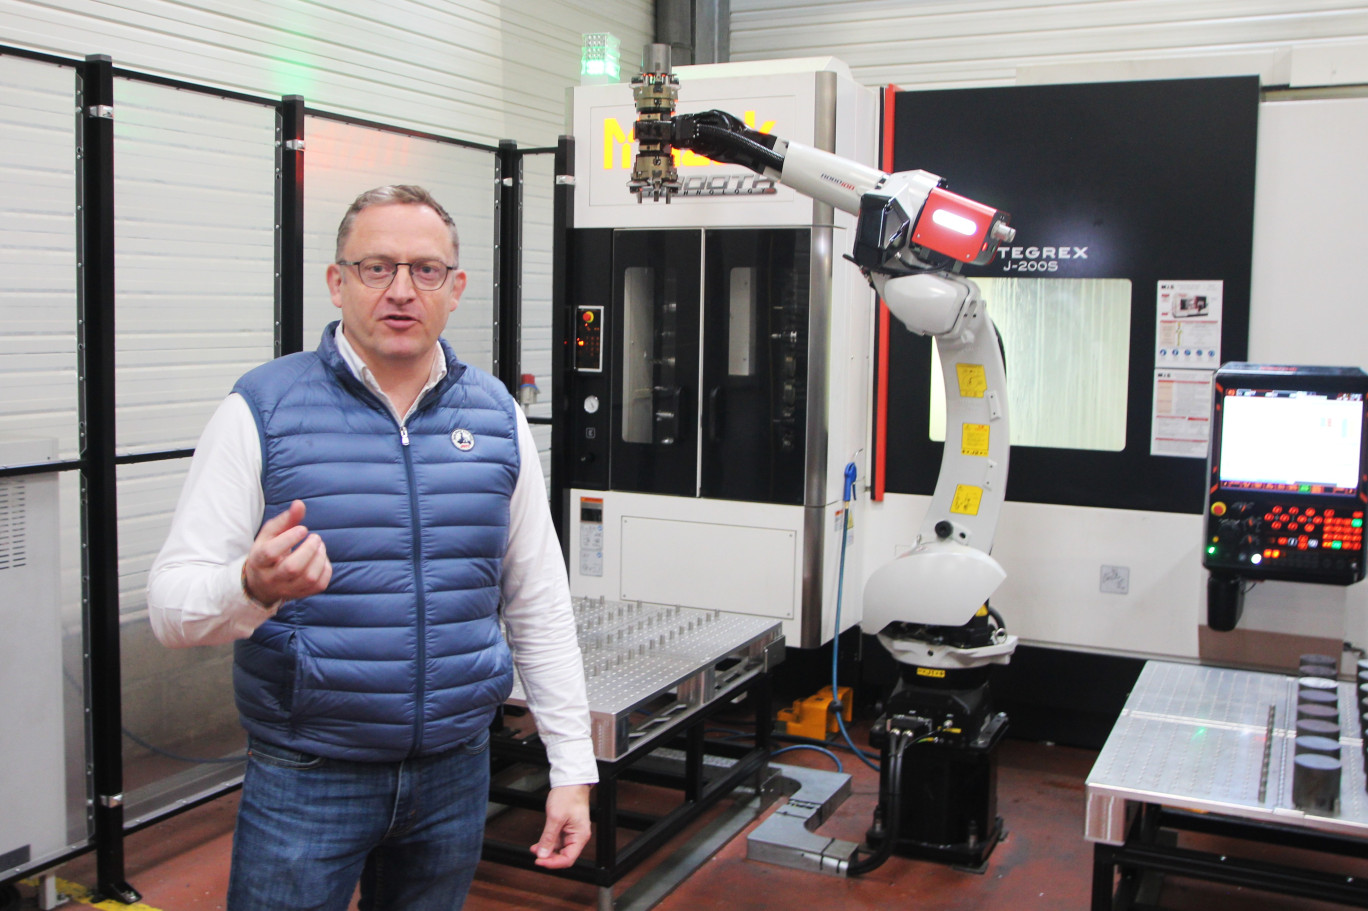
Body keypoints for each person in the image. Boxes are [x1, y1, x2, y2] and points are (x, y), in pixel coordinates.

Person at [147, 185, 596, 911]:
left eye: (424, 270)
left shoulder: (497, 417)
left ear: (456, 289)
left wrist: (572, 766)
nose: (400, 290)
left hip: (455, 774)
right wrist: (250, 586)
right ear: (337, 282)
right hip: (308, 777)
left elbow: (537, 601)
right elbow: (169, 607)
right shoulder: (259, 410)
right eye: (375, 267)